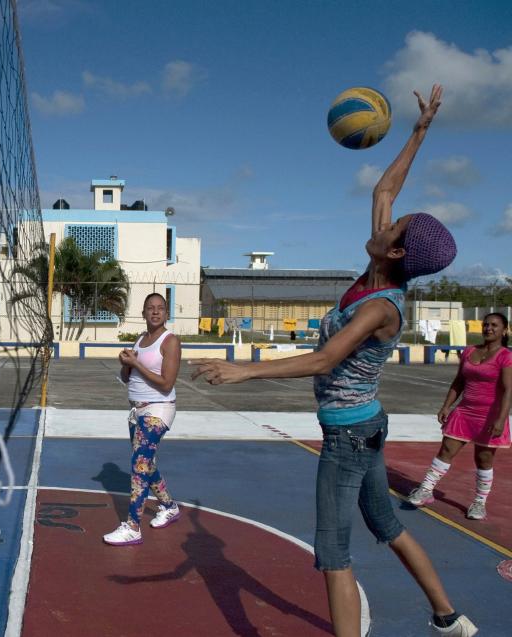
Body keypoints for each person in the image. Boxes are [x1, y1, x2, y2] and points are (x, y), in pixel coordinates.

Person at [189, 85, 477, 637]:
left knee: (333, 552)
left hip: (348, 437)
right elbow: (384, 186)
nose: (382, 223)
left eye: (391, 228)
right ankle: (449, 618)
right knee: (387, 523)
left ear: (395, 252)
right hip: (364, 426)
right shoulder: (374, 273)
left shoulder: (379, 308)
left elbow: (325, 361)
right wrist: (420, 131)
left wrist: (244, 369)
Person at [409, 312, 511, 520]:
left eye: (494, 325)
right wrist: (446, 406)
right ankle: (426, 490)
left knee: (483, 459)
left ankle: (479, 503)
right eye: (485, 325)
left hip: (489, 417)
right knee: (446, 449)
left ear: (504, 330)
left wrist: (501, 419)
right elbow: (458, 382)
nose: (488, 328)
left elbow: (509, 390)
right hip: (464, 412)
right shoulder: (469, 351)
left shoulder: (506, 356)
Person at [103, 293, 182, 545]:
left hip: (158, 409)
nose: (155, 312)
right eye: (150, 308)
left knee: (139, 466)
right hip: (137, 411)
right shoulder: (140, 340)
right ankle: (169, 506)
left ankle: (133, 526)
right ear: (144, 313)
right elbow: (127, 378)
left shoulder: (170, 342)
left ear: (166, 313)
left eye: (160, 308)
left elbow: (166, 383)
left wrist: (136, 364)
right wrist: (126, 364)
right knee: (147, 464)